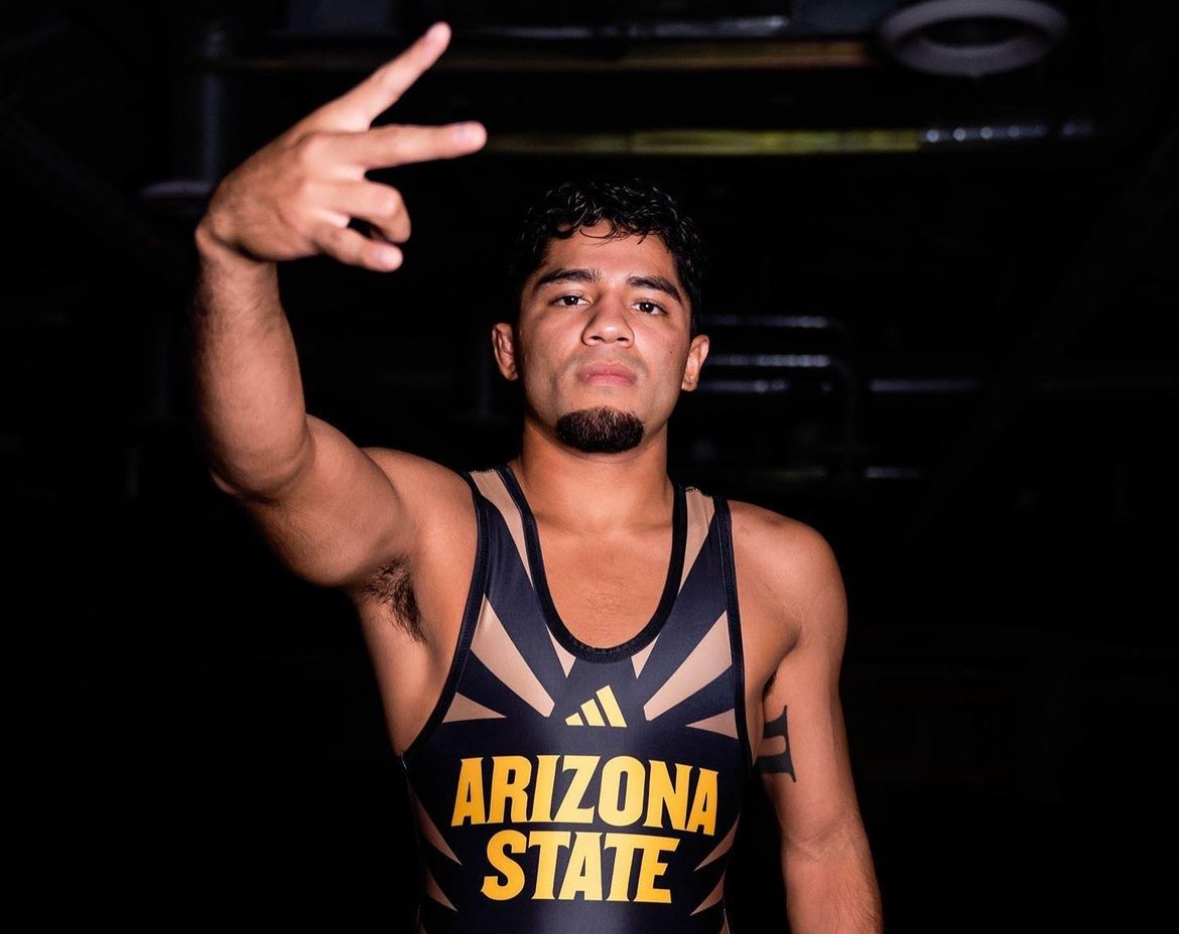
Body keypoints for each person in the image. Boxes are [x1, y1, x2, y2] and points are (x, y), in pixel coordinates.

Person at [188, 20, 883, 934]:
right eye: (568, 295)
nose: (607, 323)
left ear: (693, 360)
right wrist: (233, 255)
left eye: (648, 301)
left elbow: (822, 850)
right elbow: (265, 464)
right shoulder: (436, 531)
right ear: (508, 351)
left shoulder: (781, 568)